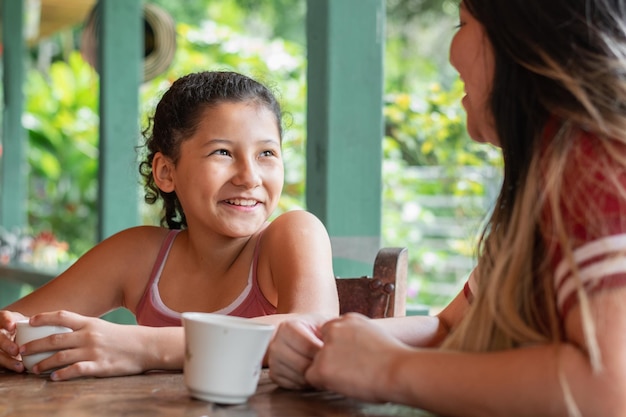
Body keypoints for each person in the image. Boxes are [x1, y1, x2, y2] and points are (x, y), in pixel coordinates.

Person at [267, 0, 626, 415]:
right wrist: (333, 341)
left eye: (463, 22)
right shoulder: (544, 178)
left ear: (522, 37)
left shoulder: (595, 161)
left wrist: (388, 369)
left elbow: (609, 388)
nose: (451, 51)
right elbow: (450, 326)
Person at [0, 70, 339, 381]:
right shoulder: (139, 255)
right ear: (166, 172)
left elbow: (313, 329)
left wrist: (140, 346)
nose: (249, 177)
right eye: (222, 152)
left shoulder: (294, 233)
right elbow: (18, 322)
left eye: (266, 153)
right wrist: (8, 338)